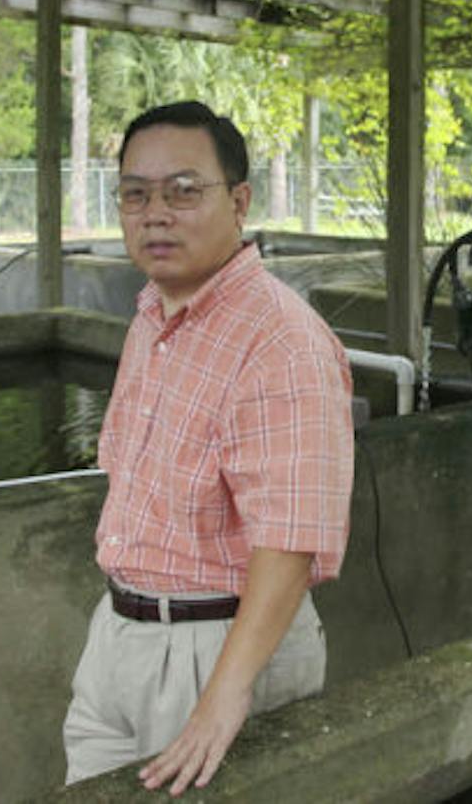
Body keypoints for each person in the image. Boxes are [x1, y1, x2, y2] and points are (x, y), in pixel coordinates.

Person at [63, 100, 355, 795]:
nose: (154, 212)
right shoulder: (152, 315)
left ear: (240, 200)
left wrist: (224, 696)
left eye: (183, 190)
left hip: (215, 647)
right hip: (121, 632)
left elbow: (289, 540)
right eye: (136, 193)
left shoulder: (281, 340)